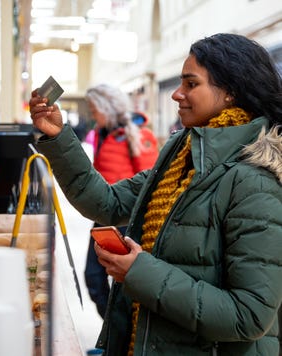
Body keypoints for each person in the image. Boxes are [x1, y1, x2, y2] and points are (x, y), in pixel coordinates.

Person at [29, 33, 282, 355]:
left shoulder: (255, 181)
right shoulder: (181, 155)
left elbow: (249, 316)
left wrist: (139, 272)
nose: (177, 94)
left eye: (191, 84)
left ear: (231, 92)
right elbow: (106, 203)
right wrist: (59, 137)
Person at [82, 84, 159, 319]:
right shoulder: (103, 134)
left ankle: (117, 339)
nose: (93, 116)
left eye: (95, 110)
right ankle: (112, 333)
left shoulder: (137, 135)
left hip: (127, 221)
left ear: (107, 108)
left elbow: (150, 182)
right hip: (104, 217)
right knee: (94, 277)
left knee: (118, 281)